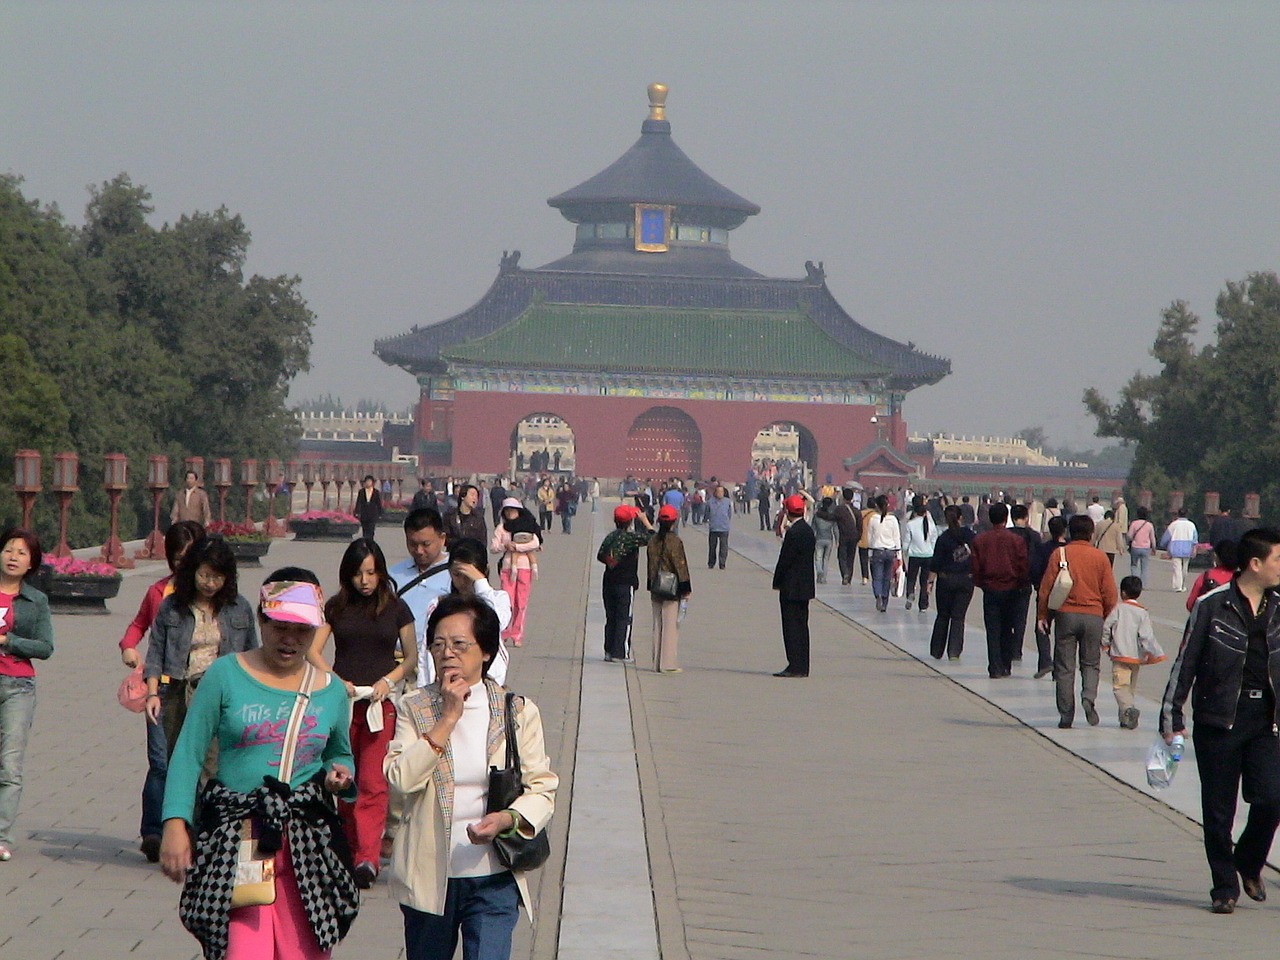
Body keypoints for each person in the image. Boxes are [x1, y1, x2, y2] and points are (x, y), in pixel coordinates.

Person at [159, 569, 359, 960]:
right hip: (239, 837)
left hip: (306, 845)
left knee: (304, 951)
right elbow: (188, 752)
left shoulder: (330, 690)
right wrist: (174, 824)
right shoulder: (225, 675)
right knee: (242, 951)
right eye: (279, 626)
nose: (290, 639)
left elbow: (340, 752)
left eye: (302, 630)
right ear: (262, 620)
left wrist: (340, 774)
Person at [385, 595, 558, 960]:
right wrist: (447, 719)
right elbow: (401, 779)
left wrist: (508, 818)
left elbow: (542, 788)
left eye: (460, 645)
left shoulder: (517, 711)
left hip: (494, 876)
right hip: (430, 879)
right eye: (438, 644)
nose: (447, 653)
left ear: (486, 651)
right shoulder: (413, 708)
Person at [1160, 528, 1280, 914]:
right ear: (1255, 564)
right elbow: (1186, 661)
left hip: (1268, 720)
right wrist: (1172, 714)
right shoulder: (1213, 605)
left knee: (1271, 799)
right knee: (1218, 808)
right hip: (1220, 718)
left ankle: (1247, 860)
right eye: (1278, 559)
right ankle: (1224, 886)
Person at [307, 538, 417, 890]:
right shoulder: (336, 608)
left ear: (381, 572)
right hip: (343, 703)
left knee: (373, 781)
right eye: (357, 574)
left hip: (379, 705)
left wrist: (388, 680)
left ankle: (367, 857)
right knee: (343, 778)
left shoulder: (397, 609)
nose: (365, 580)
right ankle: (348, 849)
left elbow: (412, 657)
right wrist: (336, 680)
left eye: (371, 572)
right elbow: (312, 650)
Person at [118, 520, 205, 862]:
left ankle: (191, 830)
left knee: (195, 763)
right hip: (162, 688)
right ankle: (153, 831)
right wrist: (128, 646)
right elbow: (138, 625)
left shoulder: (215, 598)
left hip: (199, 690)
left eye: (191, 554)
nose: (184, 562)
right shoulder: (158, 592)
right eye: (178, 555)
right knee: (160, 762)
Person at [145, 537, 258, 761]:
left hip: (223, 695)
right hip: (180, 692)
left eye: (217, 577)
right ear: (192, 571)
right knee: (180, 761)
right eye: (204, 575)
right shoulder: (172, 606)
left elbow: (252, 652)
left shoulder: (239, 608)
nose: (210, 584)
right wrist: (152, 694)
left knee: (214, 764)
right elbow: (156, 651)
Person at [0, 528, 53, 862]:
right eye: (8, 549)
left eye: (21, 552)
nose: (13, 557)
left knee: (9, 765)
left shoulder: (36, 601)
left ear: (31, 562)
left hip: (17, 685)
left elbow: (46, 647)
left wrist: (9, 642)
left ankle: (2, 835)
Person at [1037, 515, 1118, 728]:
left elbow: (1046, 588)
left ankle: (1066, 714)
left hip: (1065, 615)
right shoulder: (1100, 557)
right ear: (1091, 534)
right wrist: (1104, 614)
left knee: (1064, 667)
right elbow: (1110, 594)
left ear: (1070, 531)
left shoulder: (1060, 553)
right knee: (1091, 664)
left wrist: (1042, 616)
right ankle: (1088, 697)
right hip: (1093, 616)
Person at [416, 538, 512, 686]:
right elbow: (426, 651)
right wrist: (423, 687)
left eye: (469, 575)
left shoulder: (498, 599)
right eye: (457, 575)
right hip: (445, 684)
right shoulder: (439, 605)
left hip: (487, 684)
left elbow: (496, 622)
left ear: (484, 571)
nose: (463, 581)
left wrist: (480, 582)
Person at [970, 503, 1030, 678]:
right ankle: (1006, 664)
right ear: (1006, 518)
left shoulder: (980, 540)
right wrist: (1021, 584)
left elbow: (975, 566)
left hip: (991, 588)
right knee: (1008, 628)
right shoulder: (1016, 540)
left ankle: (994, 666)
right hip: (1011, 588)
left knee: (993, 629)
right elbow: (1022, 566)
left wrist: (981, 583)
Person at [1102, 576, 1163, 729]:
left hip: (1120, 654)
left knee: (1119, 687)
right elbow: (1146, 635)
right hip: (1136, 657)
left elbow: (1106, 626)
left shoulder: (1118, 609)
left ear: (1122, 593)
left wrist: (1105, 644)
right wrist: (1151, 651)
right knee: (1130, 688)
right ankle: (1124, 719)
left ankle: (1128, 710)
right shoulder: (1142, 612)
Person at [598, 506, 655, 662]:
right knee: (624, 618)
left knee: (611, 617)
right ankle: (621, 653)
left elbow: (600, 555)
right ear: (630, 521)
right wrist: (645, 521)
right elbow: (654, 538)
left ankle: (609, 651)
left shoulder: (610, 537)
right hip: (626, 583)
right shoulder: (631, 538)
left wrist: (613, 560)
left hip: (609, 581)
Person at [772, 495, 816, 678]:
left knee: (790, 627)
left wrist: (777, 581)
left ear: (788, 512)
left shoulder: (793, 533)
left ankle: (794, 665)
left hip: (790, 586)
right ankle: (803, 665)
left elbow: (785, 560)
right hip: (805, 586)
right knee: (802, 626)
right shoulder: (807, 530)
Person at [491, 497, 542, 648]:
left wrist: (518, 547)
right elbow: (493, 547)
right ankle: (505, 631)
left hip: (525, 568)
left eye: (513, 510)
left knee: (521, 603)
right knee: (507, 603)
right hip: (507, 568)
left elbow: (536, 542)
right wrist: (505, 545)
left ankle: (517, 633)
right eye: (507, 511)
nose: (510, 513)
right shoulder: (502, 528)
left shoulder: (527, 525)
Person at [646, 505, 691, 674]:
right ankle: (668, 663)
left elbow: (650, 564)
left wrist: (650, 583)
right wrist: (686, 587)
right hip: (672, 587)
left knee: (657, 625)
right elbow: (680, 565)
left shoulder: (653, 541)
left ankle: (656, 662)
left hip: (656, 586)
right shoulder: (675, 541)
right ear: (674, 521)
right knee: (670, 626)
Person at [927, 506, 975, 660]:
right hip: (965, 580)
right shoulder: (970, 536)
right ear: (960, 518)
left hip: (946, 580)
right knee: (958, 617)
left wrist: (930, 582)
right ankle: (954, 652)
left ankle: (937, 650)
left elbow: (935, 563)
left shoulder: (943, 538)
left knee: (943, 615)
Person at [1029, 516, 1069, 679]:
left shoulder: (1043, 548)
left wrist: (1037, 586)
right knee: (1063, 632)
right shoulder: (1069, 549)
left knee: (1042, 627)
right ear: (1064, 530)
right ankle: (1059, 669)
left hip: (1046, 593)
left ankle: (1045, 661)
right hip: (1066, 594)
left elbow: (1035, 570)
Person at [866, 495, 902, 613]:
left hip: (877, 550)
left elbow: (870, 537)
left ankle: (878, 595)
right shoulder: (893, 520)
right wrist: (899, 556)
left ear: (877, 505)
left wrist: (870, 553)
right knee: (887, 577)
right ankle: (885, 601)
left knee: (877, 576)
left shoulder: (873, 519)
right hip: (890, 551)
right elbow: (897, 538)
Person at [901, 496, 937, 611]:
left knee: (911, 578)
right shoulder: (931, 525)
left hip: (914, 555)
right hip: (928, 555)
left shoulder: (910, 524)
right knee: (924, 580)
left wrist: (904, 553)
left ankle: (910, 593)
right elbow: (934, 541)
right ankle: (923, 604)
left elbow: (906, 541)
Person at [1187, 540, 1238, 612]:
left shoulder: (1206, 576)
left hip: (1208, 619)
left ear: (1217, 557)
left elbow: (1190, 604)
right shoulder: (1240, 579)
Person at [1162, 508, 1200, 592]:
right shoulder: (1191, 525)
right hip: (1187, 548)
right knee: (1185, 568)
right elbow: (1195, 539)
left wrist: (1164, 545)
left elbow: (1166, 537)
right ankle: (1182, 585)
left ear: (1178, 514)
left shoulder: (1173, 524)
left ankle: (1177, 586)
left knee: (1177, 568)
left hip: (1175, 548)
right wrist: (1194, 549)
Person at [833, 488, 863, 586]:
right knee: (851, 558)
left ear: (843, 497)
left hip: (843, 537)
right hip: (854, 538)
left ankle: (845, 573)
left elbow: (831, 518)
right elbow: (860, 526)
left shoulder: (839, 509)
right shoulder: (857, 511)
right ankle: (849, 577)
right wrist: (858, 537)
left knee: (842, 557)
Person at [811, 497, 838, 585]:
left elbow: (813, 528)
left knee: (818, 558)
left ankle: (819, 571)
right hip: (829, 539)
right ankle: (824, 578)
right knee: (826, 559)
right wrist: (837, 540)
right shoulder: (832, 516)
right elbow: (835, 529)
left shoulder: (817, 515)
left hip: (819, 538)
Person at [1126, 506, 1157, 582]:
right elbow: (1152, 538)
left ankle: (1134, 582)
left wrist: (1131, 540)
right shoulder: (1149, 525)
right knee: (1144, 567)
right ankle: (1143, 583)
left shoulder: (1134, 523)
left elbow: (1129, 536)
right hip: (1146, 548)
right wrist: (1154, 548)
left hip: (1135, 547)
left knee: (1134, 566)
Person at [706, 485, 732, 570]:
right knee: (712, 547)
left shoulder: (728, 502)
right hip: (713, 527)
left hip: (724, 527)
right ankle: (711, 563)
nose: (720, 493)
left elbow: (729, 514)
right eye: (718, 491)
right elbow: (707, 512)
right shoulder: (710, 502)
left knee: (723, 547)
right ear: (715, 492)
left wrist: (727, 521)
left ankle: (722, 563)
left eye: (722, 492)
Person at [354, 474, 383, 541]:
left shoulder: (376, 492)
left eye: (369, 481)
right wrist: (357, 512)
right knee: (365, 530)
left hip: (372, 514)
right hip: (364, 514)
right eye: (367, 481)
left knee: (371, 530)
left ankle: (370, 542)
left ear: (372, 483)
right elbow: (359, 502)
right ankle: (366, 542)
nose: (368, 483)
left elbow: (378, 503)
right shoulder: (361, 492)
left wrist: (380, 513)